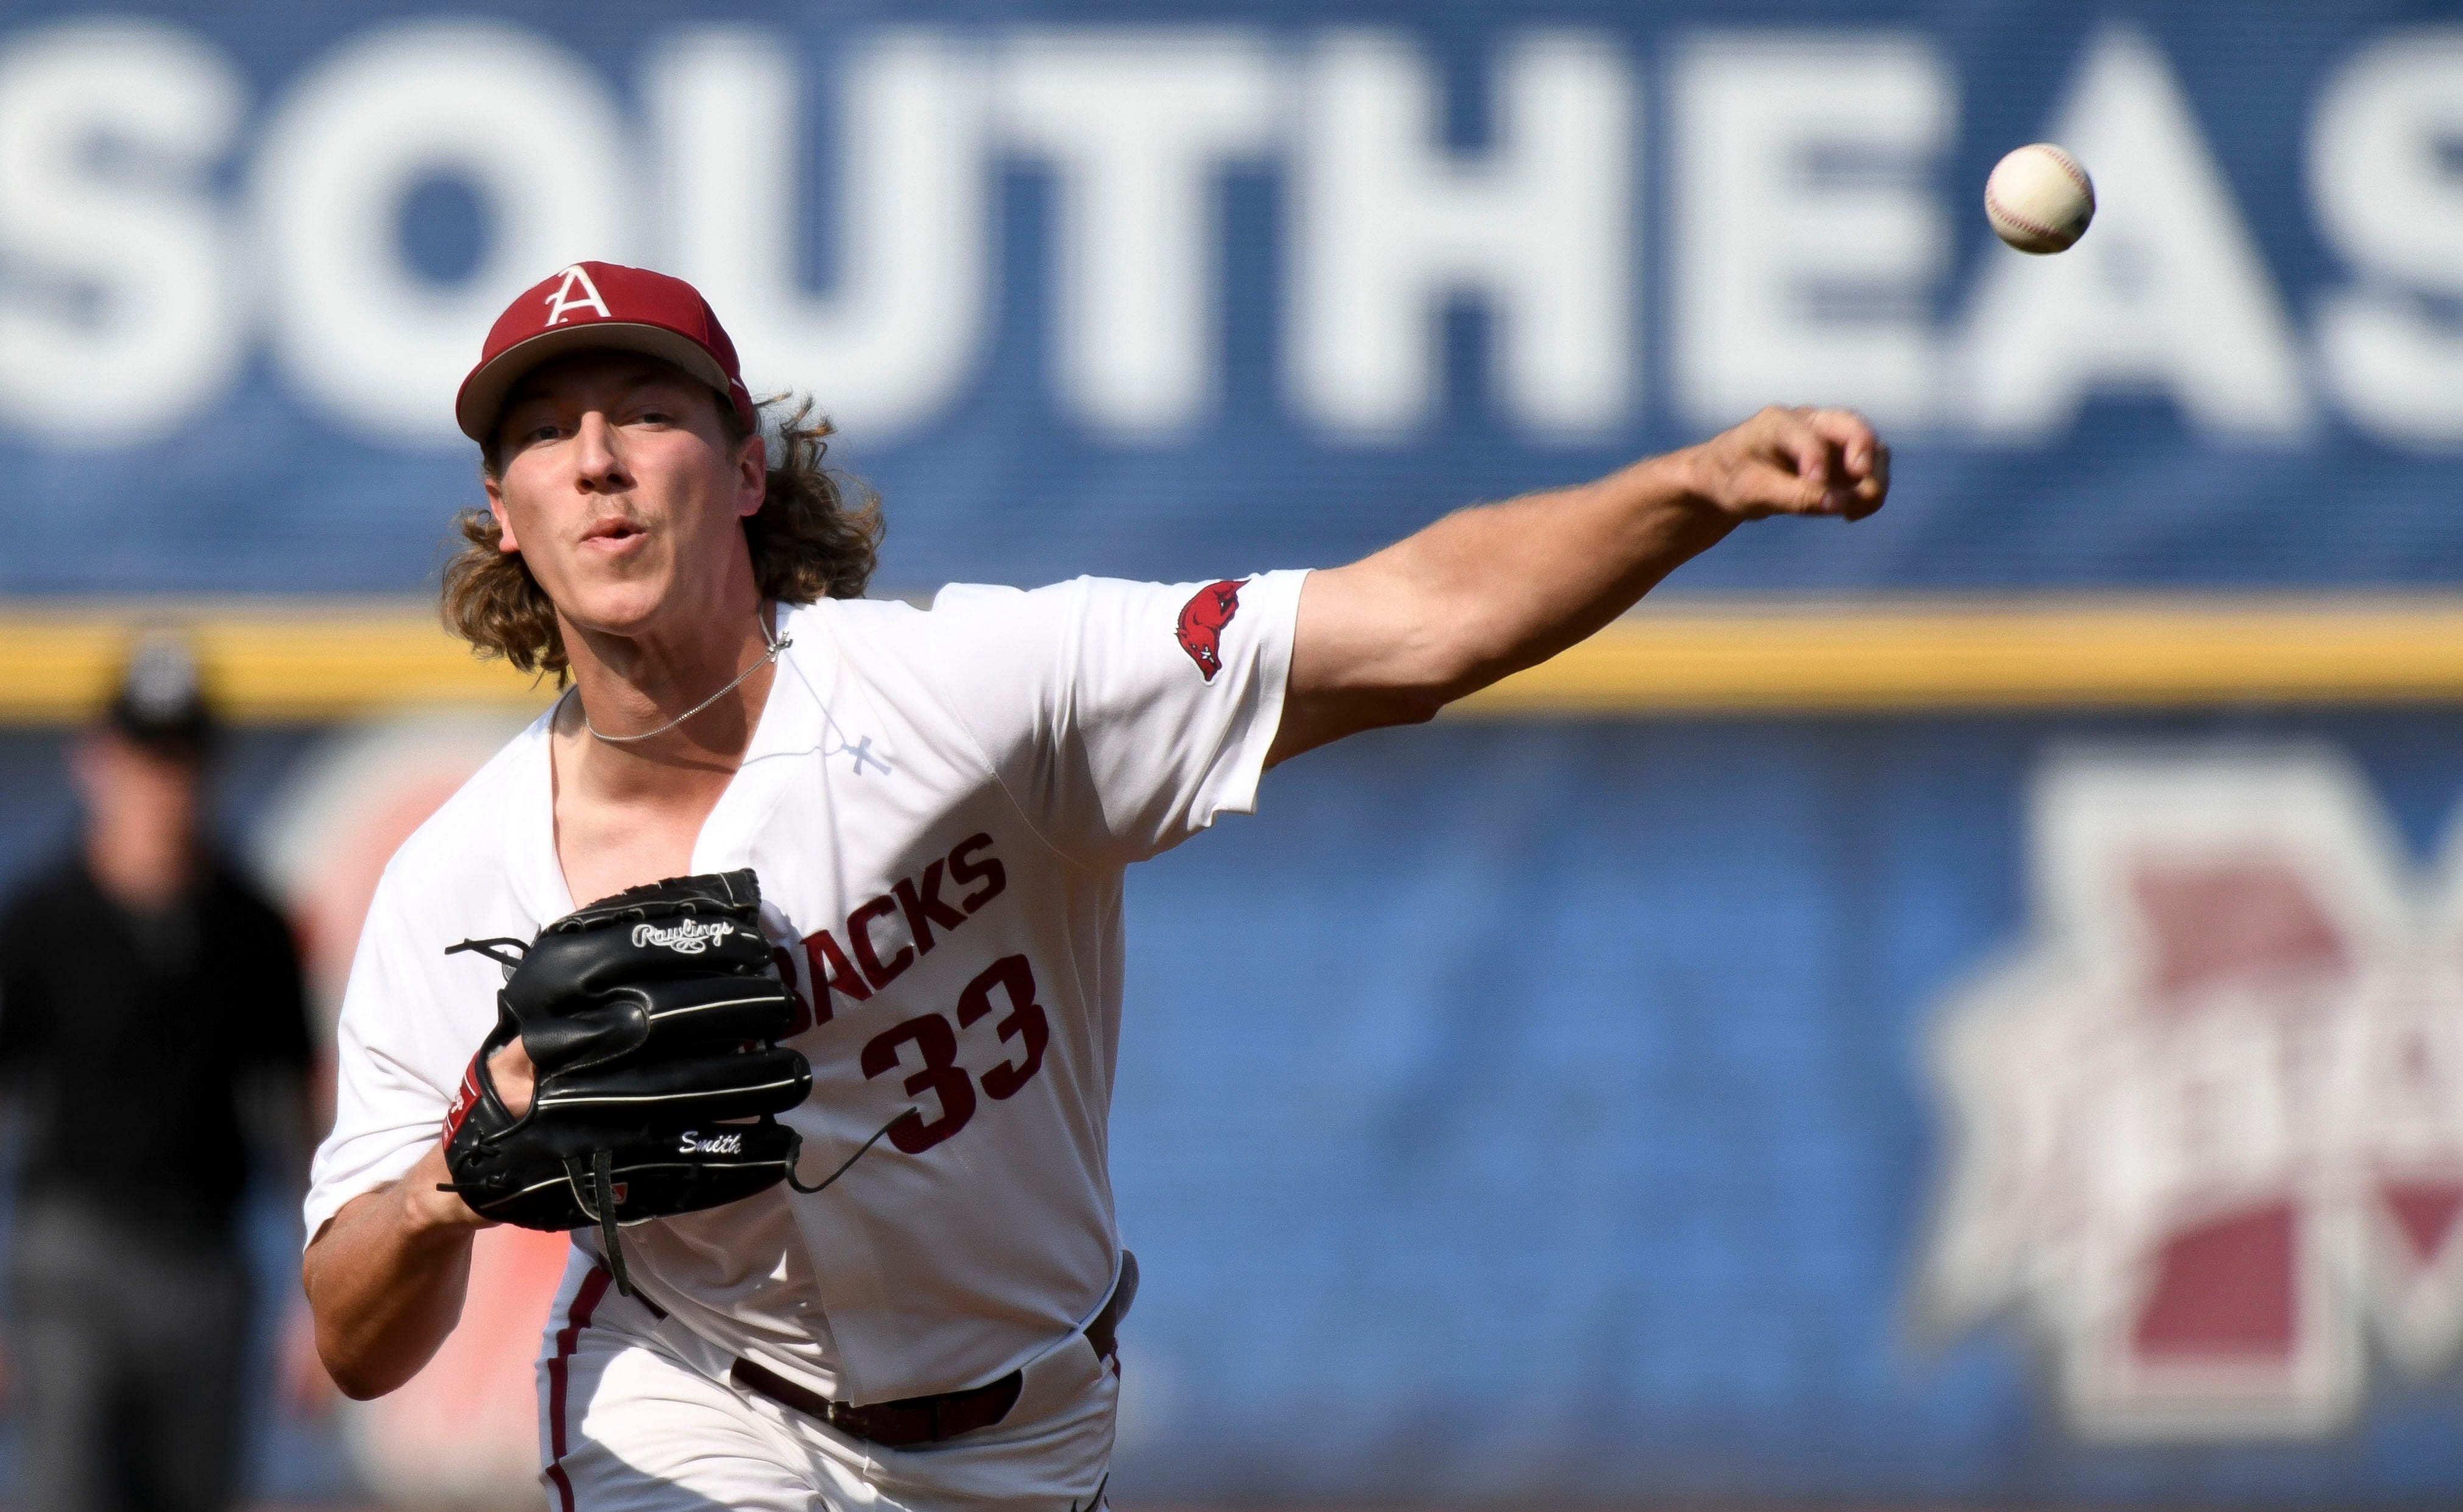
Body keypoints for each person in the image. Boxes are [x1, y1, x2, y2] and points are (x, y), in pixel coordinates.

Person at [302, 261, 1889, 1512]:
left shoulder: (967, 694)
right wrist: (449, 1186)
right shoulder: (465, 875)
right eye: (538, 430)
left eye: (642, 408)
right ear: (501, 520)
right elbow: (355, 1335)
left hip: (1020, 1430)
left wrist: (1689, 485)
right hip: (692, 1403)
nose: (593, 458)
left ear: (743, 471)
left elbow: (1412, 629)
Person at [0, 639, 317, 1512]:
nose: (162, 783)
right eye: (145, 755)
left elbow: (301, 1119)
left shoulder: (253, 926)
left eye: (182, 757)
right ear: (94, 760)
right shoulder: (40, 919)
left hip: (206, 1268)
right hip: (72, 1260)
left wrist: (317, 1302)